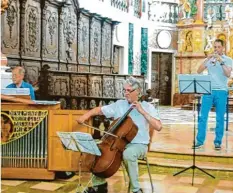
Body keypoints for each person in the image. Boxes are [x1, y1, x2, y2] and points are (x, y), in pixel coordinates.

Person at [77, 76, 162, 193]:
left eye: (129, 91)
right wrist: (85, 116)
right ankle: (99, 185)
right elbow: (99, 110)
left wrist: (142, 111)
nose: (125, 93)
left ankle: (135, 189)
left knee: (128, 153)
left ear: (137, 92)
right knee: (95, 149)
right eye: (124, 90)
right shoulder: (119, 104)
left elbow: (158, 126)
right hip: (117, 143)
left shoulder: (148, 107)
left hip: (139, 145)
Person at [194, 39, 233, 150]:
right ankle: (200, 140)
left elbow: (228, 73)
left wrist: (221, 61)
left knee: (220, 118)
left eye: (218, 47)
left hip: (221, 91)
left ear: (223, 48)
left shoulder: (228, 60)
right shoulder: (210, 60)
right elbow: (199, 70)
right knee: (202, 117)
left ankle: (217, 142)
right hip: (208, 91)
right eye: (215, 47)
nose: (216, 49)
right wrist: (207, 58)